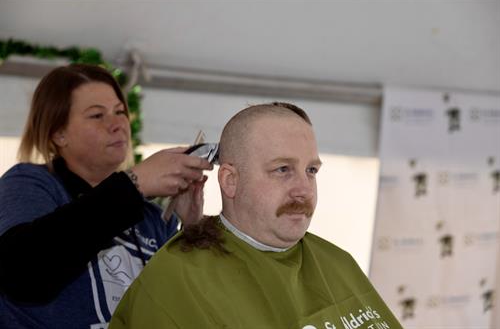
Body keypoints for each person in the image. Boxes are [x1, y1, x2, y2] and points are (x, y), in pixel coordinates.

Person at [110, 102, 403, 329]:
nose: (304, 189)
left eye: (311, 170)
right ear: (230, 181)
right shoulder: (178, 280)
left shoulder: (337, 263)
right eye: (282, 169)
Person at [0, 64, 213, 329]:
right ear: (59, 134)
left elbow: (189, 305)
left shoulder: (152, 215)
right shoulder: (31, 182)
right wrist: (134, 184)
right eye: (97, 115)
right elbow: (22, 273)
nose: (117, 124)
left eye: (120, 111)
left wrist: (190, 227)